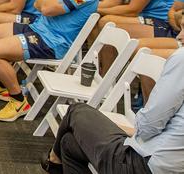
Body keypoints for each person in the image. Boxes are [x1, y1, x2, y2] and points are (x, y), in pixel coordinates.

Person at [41, 49, 184, 174]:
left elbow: (149, 125)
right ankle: (55, 162)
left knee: (77, 110)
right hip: (168, 163)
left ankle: (53, 160)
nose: (179, 35)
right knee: (68, 143)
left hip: (144, 164)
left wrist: (137, 129)